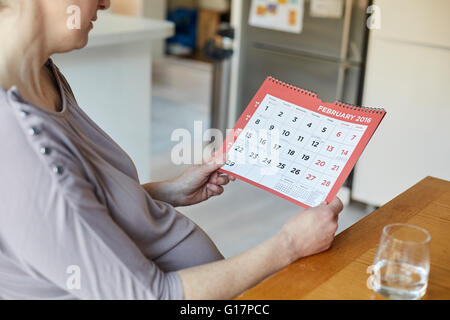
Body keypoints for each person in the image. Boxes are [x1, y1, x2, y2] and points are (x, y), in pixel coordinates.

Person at [0, 0, 343, 300]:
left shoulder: (41, 74)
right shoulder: (15, 141)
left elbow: (84, 210)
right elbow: (148, 295)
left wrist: (170, 191)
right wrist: (289, 245)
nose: (105, 4)